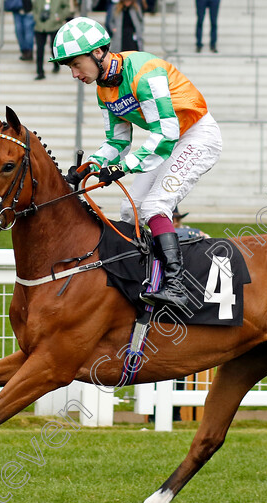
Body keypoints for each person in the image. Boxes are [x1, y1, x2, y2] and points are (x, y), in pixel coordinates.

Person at [52, 17, 222, 308]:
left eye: (76, 64)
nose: (74, 74)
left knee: (156, 206)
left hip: (196, 135)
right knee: (129, 213)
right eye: (69, 67)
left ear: (97, 53)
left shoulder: (145, 72)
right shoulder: (103, 90)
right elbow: (117, 142)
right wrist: (88, 167)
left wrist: (122, 166)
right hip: (165, 141)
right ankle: (141, 280)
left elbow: (166, 133)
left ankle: (176, 284)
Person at [32, 0, 71, 80]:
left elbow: (67, 7)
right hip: (40, 26)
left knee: (53, 47)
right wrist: (36, 18)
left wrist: (59, 17)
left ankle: (56, 64)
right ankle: (40, 72)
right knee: (39, 49)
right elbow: (34, 8)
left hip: (54, 25)